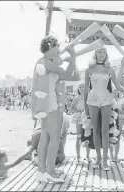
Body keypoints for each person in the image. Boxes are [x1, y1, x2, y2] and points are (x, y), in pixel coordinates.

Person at [31, 35, 80, 183]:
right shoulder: (46, 62)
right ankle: (50, 171)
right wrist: (73, 57)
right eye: (57, 46)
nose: (59, 49)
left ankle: (42, 171)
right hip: (51, 105)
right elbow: (66, 73)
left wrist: (66, 59)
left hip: (44, 107)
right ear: (51, 46)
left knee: (45, 137)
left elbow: (67, 74)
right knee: (55, 138)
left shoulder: (41, 62)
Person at [84, 47, 124, 171]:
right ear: (95, 53)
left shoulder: (110, 69)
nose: (101, 54)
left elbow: (118, 85)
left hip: (107, 100)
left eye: (103, 52)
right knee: (95, 129)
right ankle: (98, 158)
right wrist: (85, 105)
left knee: (105, 129)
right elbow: (86, 88)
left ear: (106, 54)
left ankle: (105, 160)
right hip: (92, 100)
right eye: (99, 51)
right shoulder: (89, 69)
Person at [70, 81, 91, 161]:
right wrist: (78, 111)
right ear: (78, 88)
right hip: (79, 118)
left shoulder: (89, 97)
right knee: (79, 136)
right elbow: (71, 109)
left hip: (87, 118)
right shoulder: (76, 98)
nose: (82, 88)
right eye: (80, 87)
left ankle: (88, 156)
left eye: (83, 87)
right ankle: (78, 156)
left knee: (87, 136)